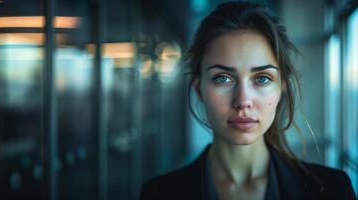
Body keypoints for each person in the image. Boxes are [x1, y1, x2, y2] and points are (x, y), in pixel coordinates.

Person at [139, 1, 357, 200]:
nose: (243, 101)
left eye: (262, 78)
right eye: (222, 78)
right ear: (198, 89)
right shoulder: (158, 194)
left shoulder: (334, 189)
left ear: (281, 87)